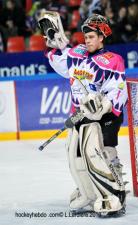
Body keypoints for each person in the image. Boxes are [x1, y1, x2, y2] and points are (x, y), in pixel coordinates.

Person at [38, 12, 128, 216]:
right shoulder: (77, 55)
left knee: (100, 153)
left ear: (102, 37)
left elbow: (117, 89)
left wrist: (103, 106)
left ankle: (114, 193)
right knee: (75, 155)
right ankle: (89, 193)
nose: (87, 41)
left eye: (91, 37)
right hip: (81, 115)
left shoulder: (113, 60)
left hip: (105, 116)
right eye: (85, 37)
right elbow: (61, 59)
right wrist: (55, 43)